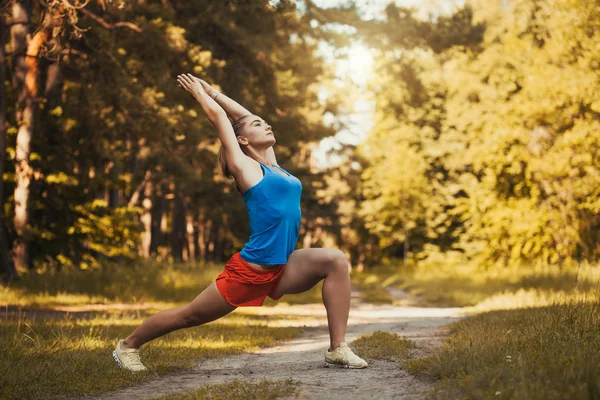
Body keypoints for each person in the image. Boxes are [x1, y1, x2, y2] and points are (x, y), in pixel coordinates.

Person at [112, 73, 367, 372]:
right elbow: (221, 118)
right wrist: (200, 95)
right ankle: (128, 346)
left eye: (264, 122)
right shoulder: (245, 167)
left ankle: (338, 348)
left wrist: (215, 91)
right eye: (259, 125)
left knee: (335, 260)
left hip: (283, 266)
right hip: (252, 270)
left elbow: (242, 115)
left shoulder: (272, 164)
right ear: (242, 140)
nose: (266, 124)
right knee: (189, 316)